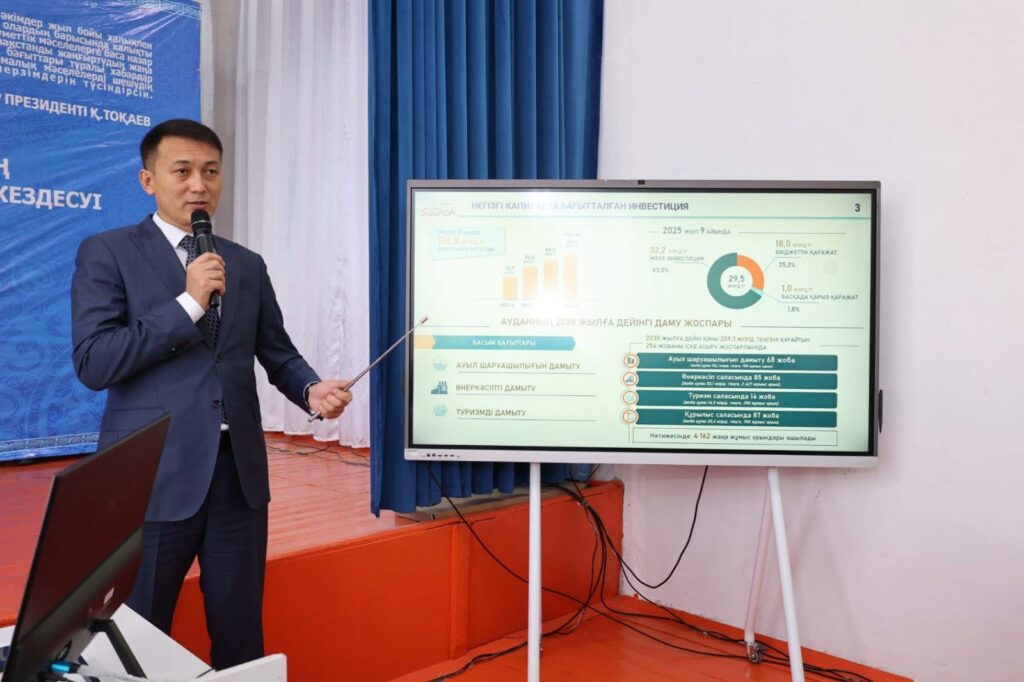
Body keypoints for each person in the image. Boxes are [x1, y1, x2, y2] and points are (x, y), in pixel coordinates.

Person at [70, 118, 352, 669]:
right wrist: (188, 305)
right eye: (182, 171)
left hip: (237, 478)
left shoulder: (245, 263)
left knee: (239, 628)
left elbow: (277, 351)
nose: (198, 185)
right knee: (138, 633)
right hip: (151, 475)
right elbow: (95, 361)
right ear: (148, 180)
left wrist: (310, 388)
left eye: (211, 172)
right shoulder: (108, 252)